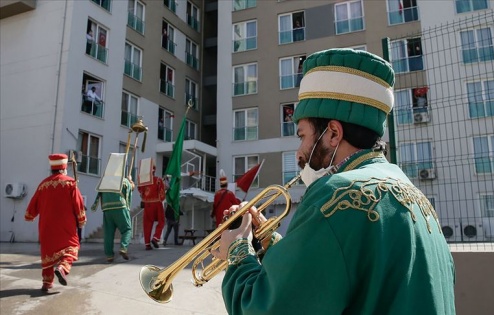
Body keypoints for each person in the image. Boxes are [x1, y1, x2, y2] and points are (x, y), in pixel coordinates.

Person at [212, 48, 456, 314]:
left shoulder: (335, 195)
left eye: (302, 135)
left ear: (332, 134)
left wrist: (238, 251)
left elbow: (265, 308)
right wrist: (271, 242)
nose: (299, 152)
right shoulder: (419, 200)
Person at [25, 154, 87, 292]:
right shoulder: (70, 183)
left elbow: (33, 205)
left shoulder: (43, 185)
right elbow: (78, 204)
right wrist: (81, 220)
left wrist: (30, 216)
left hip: (46, 226)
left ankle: (47, 283)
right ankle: (62, 268)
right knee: (72, 246)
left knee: (47, 253)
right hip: (66, 225)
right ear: (64, 168)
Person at [91, 175, 135, 263]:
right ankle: (123, 247)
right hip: (120, 207)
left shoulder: (104, 181)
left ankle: (109, 255)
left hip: (107, 209)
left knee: (108, 233)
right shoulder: (123, 180)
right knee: (127, 229)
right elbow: (130, 188)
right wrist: (130, 182)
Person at [138, 164, 166, 250]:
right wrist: (161, 198)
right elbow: (162, 194)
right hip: (156, 203)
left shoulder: (143, 182)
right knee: (161, 221)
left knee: (147, 224)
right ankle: (155, 238)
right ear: (154, 170)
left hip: (147, 204)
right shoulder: (158, 180)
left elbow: (140, 191)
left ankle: (147, 244)